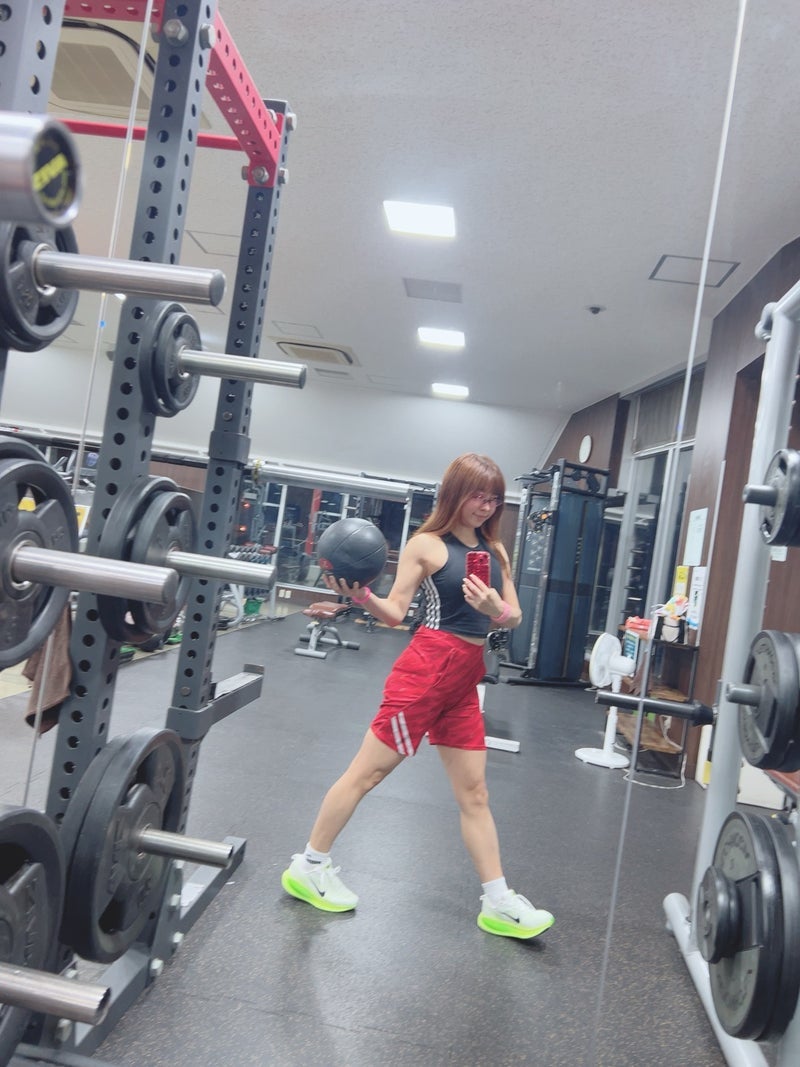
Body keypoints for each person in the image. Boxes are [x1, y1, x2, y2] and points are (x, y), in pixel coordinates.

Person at [281, 453, 554, 940]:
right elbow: (395, 614)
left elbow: (513, 616)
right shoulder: (426, 545)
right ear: (455, 494)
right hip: (427, 671)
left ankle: (498, 902)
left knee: (475, 792)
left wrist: (496, 609)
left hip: (464, 679)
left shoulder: (496, 550)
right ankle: (310, 865)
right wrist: (360, 596)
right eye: (477, 496)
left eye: (494, 499)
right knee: (366, 774)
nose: (486, 507)